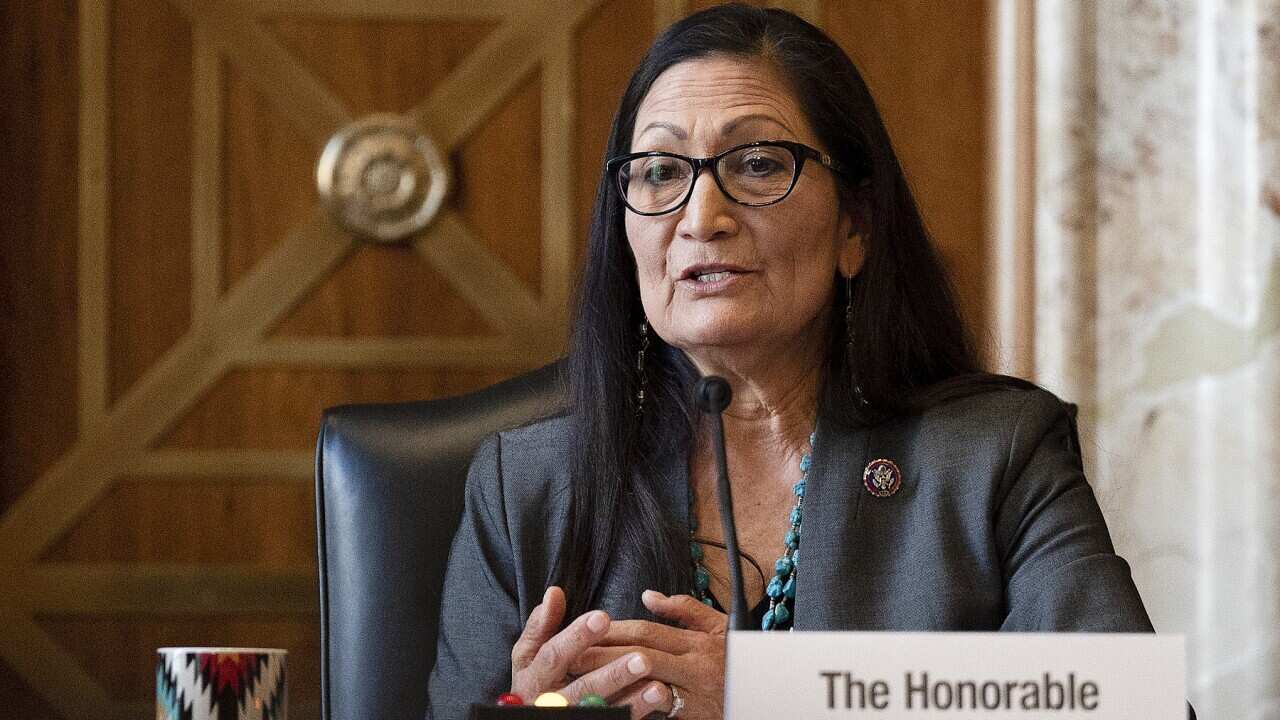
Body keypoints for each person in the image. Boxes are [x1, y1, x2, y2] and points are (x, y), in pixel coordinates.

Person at [426, 5, 1155, 719]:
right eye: (658, 171)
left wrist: (783, 693)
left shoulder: (993, 456)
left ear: (855, 228)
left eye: (757, 163)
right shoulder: (526, 487)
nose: (701, 215)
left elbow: (1125, 704)